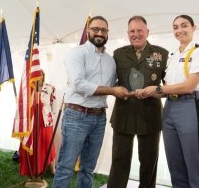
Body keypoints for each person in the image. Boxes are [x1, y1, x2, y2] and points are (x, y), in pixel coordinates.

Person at [53, 16, 130, 188]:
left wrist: (136, 88)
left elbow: (113, 85)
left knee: (88, 168)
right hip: (76, 116)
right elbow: (78, 84)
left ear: (108, 33)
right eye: (96, 29)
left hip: (99, 118)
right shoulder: (77, 53)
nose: (100, 33)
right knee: (66, 166)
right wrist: (112, 91)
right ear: (88, 30)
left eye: (104, 30)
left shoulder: (111, 60)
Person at [136, 15, 199, 187]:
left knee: (195, 167)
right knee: (175, 167)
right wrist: (147, 92)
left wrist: (157, 89)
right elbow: (166, 89)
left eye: (184, 26)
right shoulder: (172, 56)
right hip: (169, 108)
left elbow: (189, 86)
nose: (179, 30)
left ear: (194, 27)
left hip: (189, 107)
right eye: (176, 27)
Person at [107, 16, 168, 188]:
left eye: (139, 30)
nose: (136, 34)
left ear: (147, 32)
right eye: (132, 31)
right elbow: (111, 82)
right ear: (128, 33)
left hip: (150, 115)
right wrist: (114, 90)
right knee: (119, 161)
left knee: (149, 163)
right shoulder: (118, 54)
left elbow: (169, 87)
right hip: (123, 114)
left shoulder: (161, 54)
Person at [19, 70, 57, 176]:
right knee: (32, 143)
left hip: (45, 121)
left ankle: (52, 168)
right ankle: (32, 169)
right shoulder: (27, 88)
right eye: (36, 75)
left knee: (48, 143)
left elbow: (54, 105)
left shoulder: (50, 88)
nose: (39, 77)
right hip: (31, 121)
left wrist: (51, 117)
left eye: (41, 75)